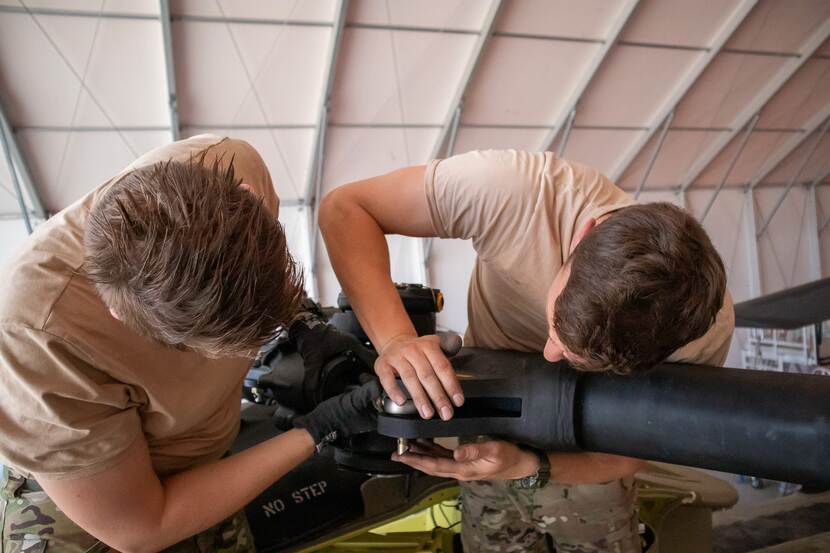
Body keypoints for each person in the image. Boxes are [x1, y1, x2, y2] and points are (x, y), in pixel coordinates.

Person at [319, 149, 734, 552]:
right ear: (582, 235)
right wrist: (396, 339)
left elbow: (629, 451)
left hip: (590, 467)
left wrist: (530, 468)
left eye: (585, 361)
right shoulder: (517, 192)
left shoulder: (701, 334)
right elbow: (345, 208)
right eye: (555, 329)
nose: (551, 355)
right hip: (484, 442)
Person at [0, 135, 380, 552]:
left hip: (206, 451)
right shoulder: (34, 341)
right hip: (93, 502)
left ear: (248, 199)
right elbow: (142, 525)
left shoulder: (233, 166)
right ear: (119, 315)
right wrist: (319, 429)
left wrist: (301, 320)